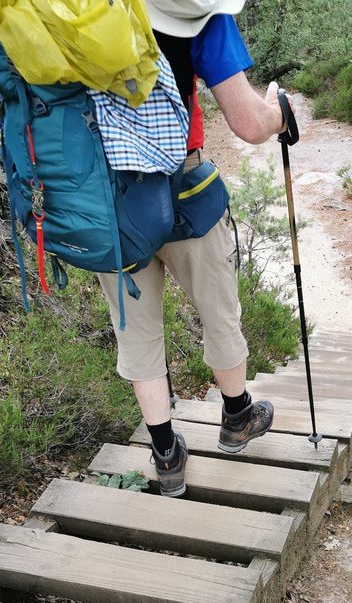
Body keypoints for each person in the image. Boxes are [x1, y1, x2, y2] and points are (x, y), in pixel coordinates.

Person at [97, 0, 289, 498]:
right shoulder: (205, 17)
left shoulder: (80, 13)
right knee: (218, 309)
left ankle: (165, 453)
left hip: (108, 200)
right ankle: (237, 414)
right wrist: (278, 112)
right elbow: (249, 124)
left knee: (135, 331)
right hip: (182, 187)